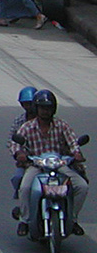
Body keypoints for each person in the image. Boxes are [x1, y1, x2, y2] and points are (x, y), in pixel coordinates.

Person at [11, 89, 87, 237]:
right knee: (25, 188)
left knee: (82, 186)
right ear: (36, 108)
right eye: (42, 108)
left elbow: (72, 141)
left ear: (53, 109)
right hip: (36, 165)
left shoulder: (61, 125)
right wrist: (19, 153)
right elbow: (16, 144)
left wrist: (76, 153)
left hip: (59, 165)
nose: (45, 111)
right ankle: (25, 220)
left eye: (48, 108)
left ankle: (72, 219)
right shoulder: (27, 127)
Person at [8, 86, 41, 196]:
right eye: (25, 104)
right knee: (19, 180)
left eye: (30, 103)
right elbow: (12, 140)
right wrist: (19, 154)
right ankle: (25, 209)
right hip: (29, 161)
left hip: (50, 160)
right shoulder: (20, 121)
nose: (28, 107)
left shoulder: (50, 120)